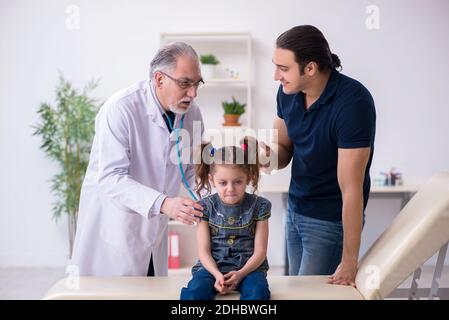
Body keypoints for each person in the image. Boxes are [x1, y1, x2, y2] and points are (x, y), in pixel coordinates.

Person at [71, 42, 205, 276]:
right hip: (116, 228)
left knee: (151, 290)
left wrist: (220, 201)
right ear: (159, 79)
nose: (192, 93)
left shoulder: (191, 114)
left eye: (197, 84)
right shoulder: (121, 109)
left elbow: (193, 169)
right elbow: (111, 178)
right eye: (185, 83)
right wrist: (165, 204)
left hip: (154, 231)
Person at [261, 25, 376, 286]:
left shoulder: (353, 103)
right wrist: (264, 156)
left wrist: (350, 260)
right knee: (296, 289)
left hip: (329, 220)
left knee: (311, 294)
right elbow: (283, 152)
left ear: (310, 68)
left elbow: (351, 189)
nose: (275, 76)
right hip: (295, 209)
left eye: (283, 68)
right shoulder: (288, 92)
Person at [180, 142, 272, 300]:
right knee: (195, 293)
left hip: (249, 269)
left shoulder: (261, 206)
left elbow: (260, 252)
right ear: (211, 179)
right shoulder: (204, 207)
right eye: (223, 183)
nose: (230, 188)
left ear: (248, 177)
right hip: (211, 268)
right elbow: (203, 251)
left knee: (258, 293)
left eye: (238, 182)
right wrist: (217, 275)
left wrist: (241, 274)